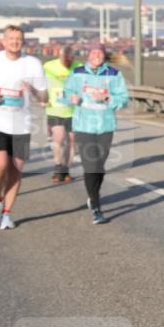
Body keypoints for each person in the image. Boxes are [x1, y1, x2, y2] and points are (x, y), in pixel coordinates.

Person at [0, 26, 48, 230]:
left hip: (21, 124)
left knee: (16, 170)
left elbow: (44, 97)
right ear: (3, 41)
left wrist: (33, 90)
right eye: (11, 38)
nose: (15, 42)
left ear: (23, 41)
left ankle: (7, 214)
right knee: (0, 165)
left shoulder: (33, 64)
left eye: (19, 38)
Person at [64, 46, 130, 224]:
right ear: (88, 55)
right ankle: (95, 205)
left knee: (99, 167)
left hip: (105, 126)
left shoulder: (114, 74)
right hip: (83, 126)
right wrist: (71, 98)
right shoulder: (77, 73)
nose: (96, 55)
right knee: (91, 166)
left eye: (100, 53)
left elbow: (124, 99)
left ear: (104, 56)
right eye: (93, 52)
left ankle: (93, 195)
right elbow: (65, 93)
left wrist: (107, 98)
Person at [43, 45, 83, 183]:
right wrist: (42, 98)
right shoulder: (48, 66)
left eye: (70, 59)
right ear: (60, 56)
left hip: (73, 111)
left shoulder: (79, 67)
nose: (68, 62)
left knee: (72, 142)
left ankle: (66, 170)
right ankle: (58, 166)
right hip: (55, 110)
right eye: (65, 59)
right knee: (59, 139)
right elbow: (40, 84)